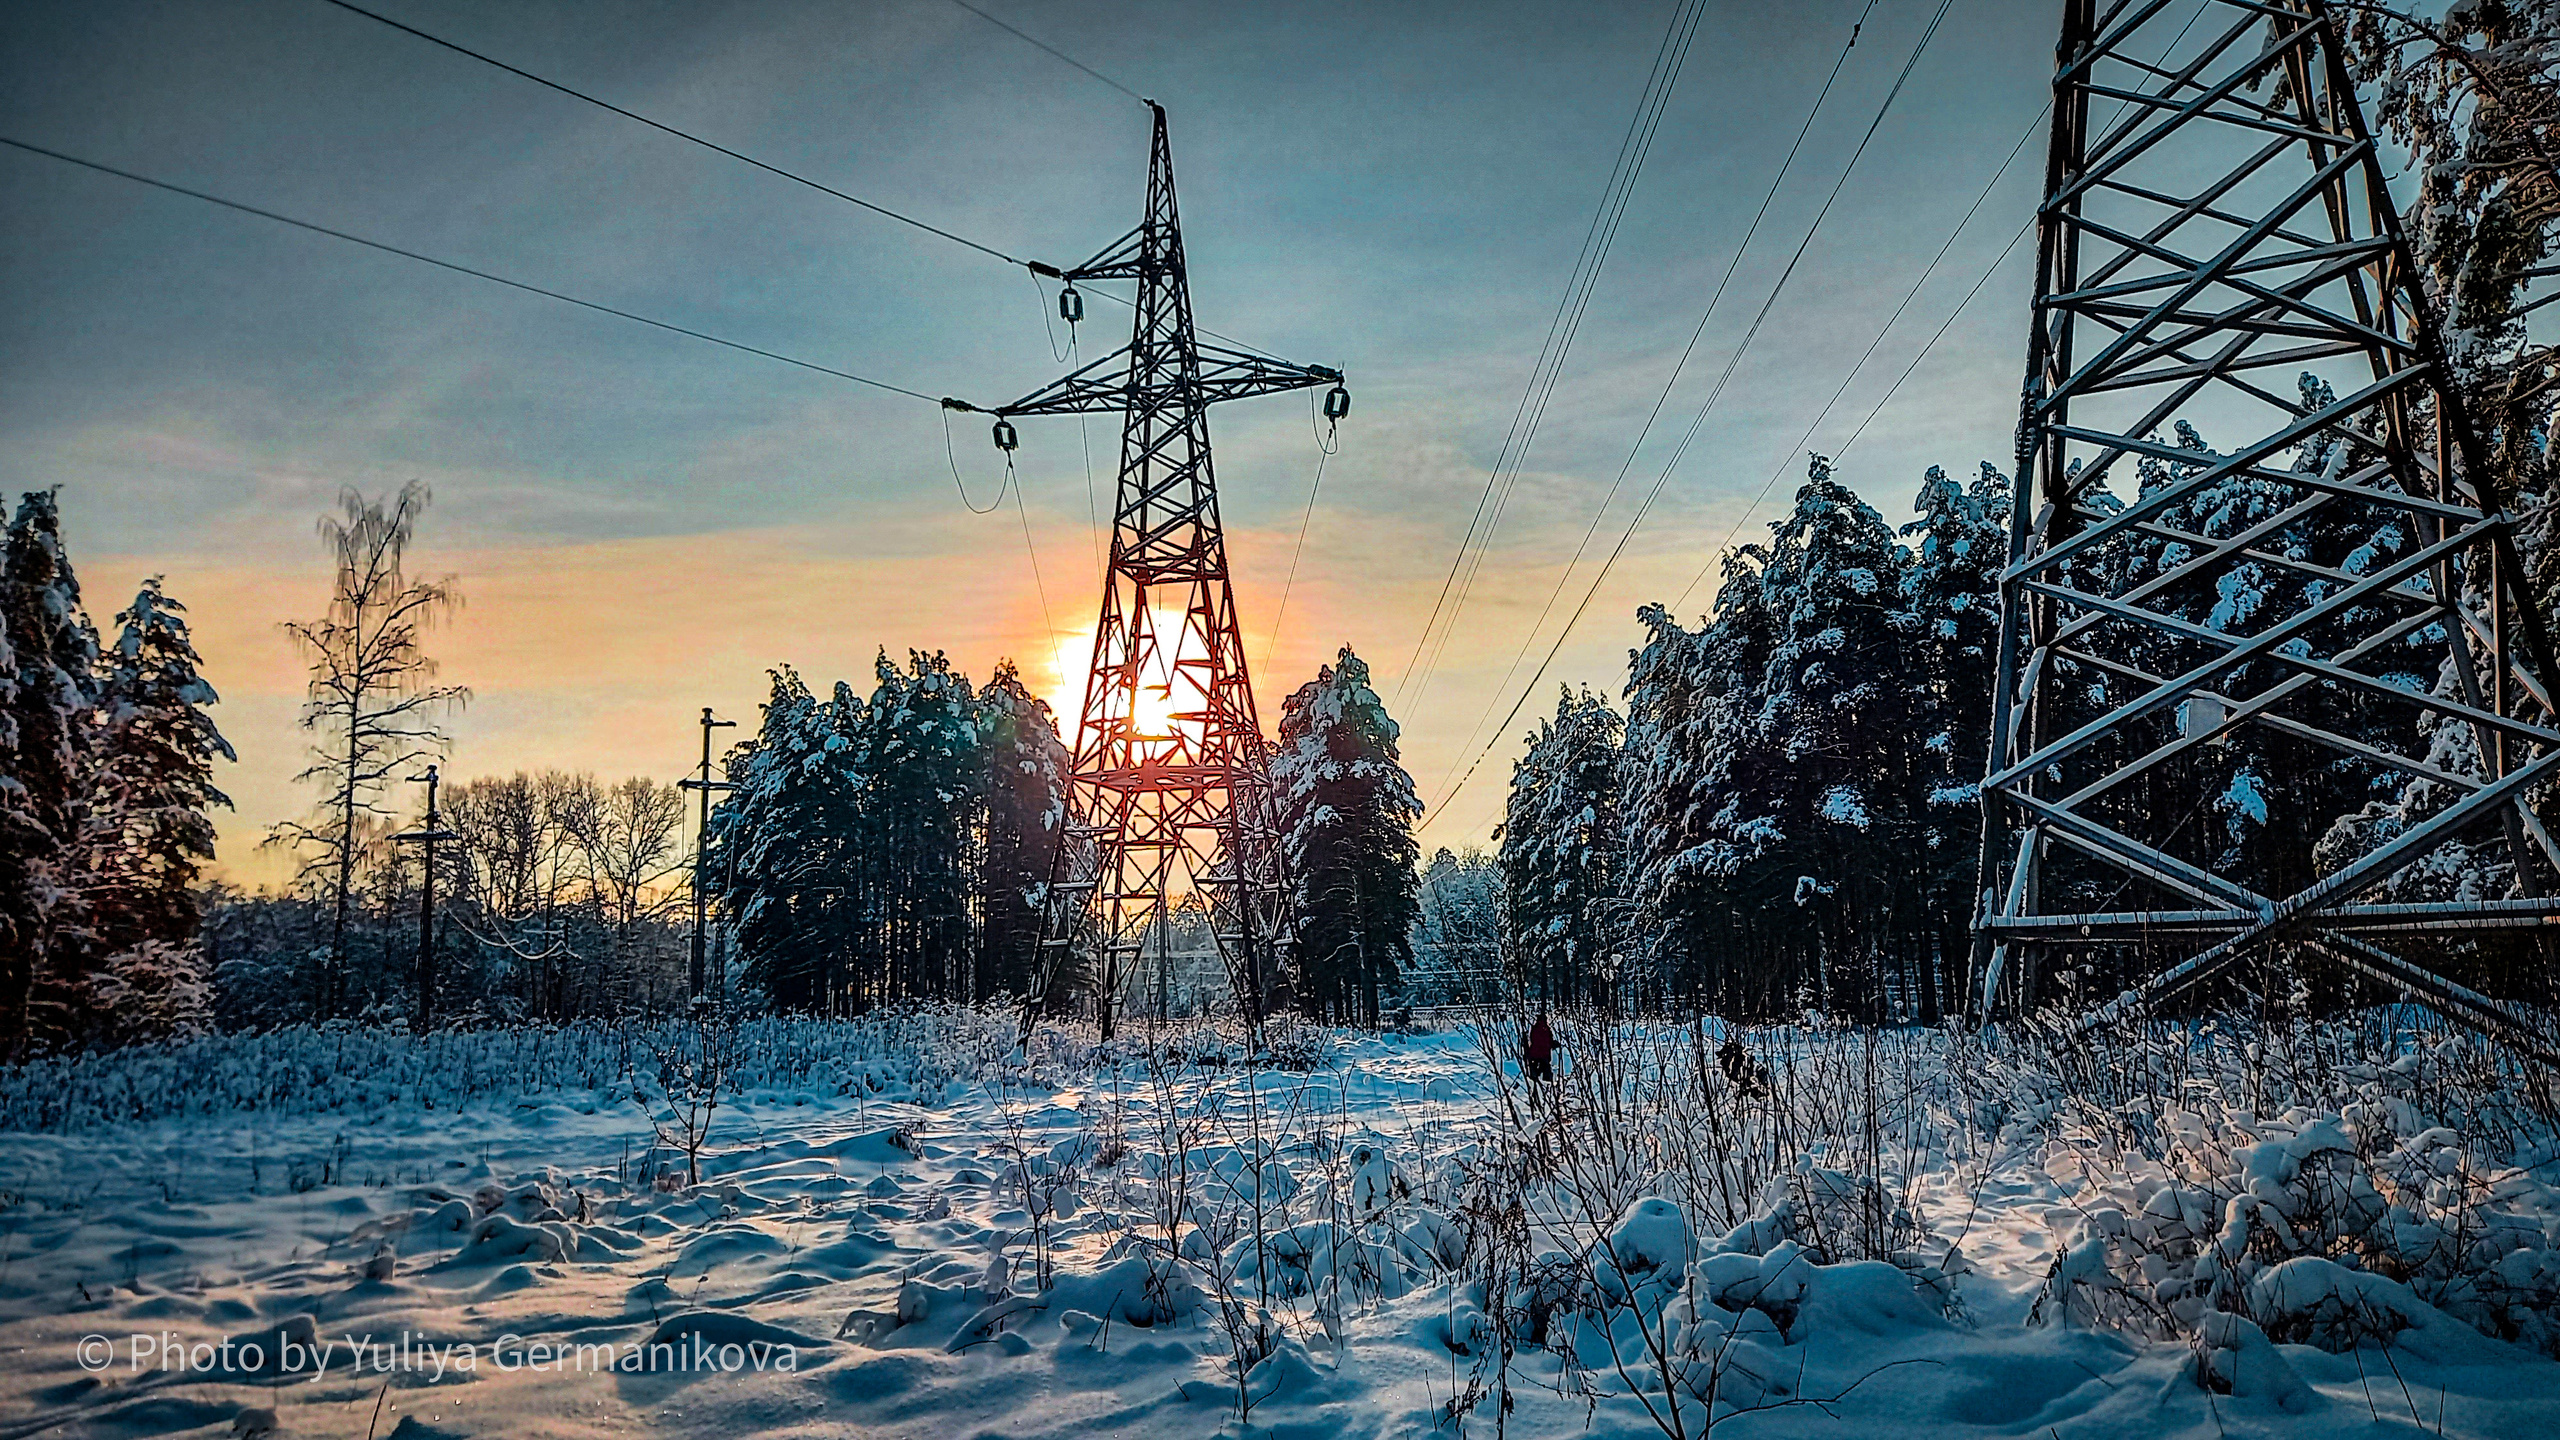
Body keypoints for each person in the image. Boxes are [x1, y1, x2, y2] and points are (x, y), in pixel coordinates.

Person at [1523, 1010, 1557, 1105]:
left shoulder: (1534, 1028)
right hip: (1544, 1056)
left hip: (1534, 1055)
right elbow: (1547, 1042)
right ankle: (1548, 1092)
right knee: (1546, 1074)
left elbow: (1533, 1040)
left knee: (1534, 1075)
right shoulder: (1546, 1029)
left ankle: (1534, 1091)